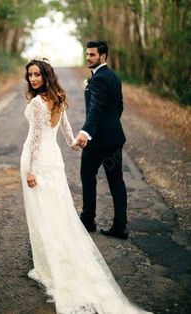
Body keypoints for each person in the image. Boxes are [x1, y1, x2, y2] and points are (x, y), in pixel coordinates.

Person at [20, 58, 153, 314]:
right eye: (30, 75)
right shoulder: (57, 96)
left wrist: (31, 171)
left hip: (38, 161)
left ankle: (50, 265)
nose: (33, 79)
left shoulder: (38, 103)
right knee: (57, 210)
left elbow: (36, 139)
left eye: (37, 74)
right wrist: (73, 144)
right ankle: (57, 257)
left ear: (46, 75)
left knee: (43, 212)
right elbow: (66, 131)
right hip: (54, 159)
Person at [76, 40, 128, 240]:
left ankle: (88, 220)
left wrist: (86, 132)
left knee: (87, 175)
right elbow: (119, 107)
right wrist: (111, 126)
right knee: (116, 180)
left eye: (92, 55)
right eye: (87, 54)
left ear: (103, 56)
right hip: (114, 139)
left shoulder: (98, 79)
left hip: (97, 141)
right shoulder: (114, 77)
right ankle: (120, 226)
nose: (88, 58)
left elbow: (96, 108)